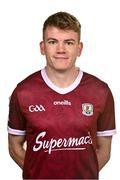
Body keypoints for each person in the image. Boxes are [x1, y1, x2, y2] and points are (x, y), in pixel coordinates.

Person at [8, 11, 116, 179]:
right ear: (42, 47)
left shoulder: (100, 91)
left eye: (69, 42)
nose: (61, 49)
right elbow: (15, 147)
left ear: (79, 48)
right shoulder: (23, 92)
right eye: (53, 42)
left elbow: (104, 151)